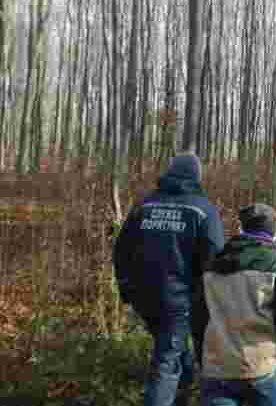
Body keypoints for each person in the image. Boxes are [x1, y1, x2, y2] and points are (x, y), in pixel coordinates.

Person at [114, 151, 225, 406]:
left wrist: (126, 288)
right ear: (197, 176)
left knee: (174, 349)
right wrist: (210, 303)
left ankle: (182, 397)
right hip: (179, 302)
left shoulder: (144, 205)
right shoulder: (202, 210)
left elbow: (121, 250)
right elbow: (215, 260)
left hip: (145, 300)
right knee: (166, 362)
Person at [199, 203, 276, 406]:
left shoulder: (212, 263)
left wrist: (203, 354)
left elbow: (199, 315)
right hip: (260, 364)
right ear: (274, 232)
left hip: (217, 366)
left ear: (242, 228)